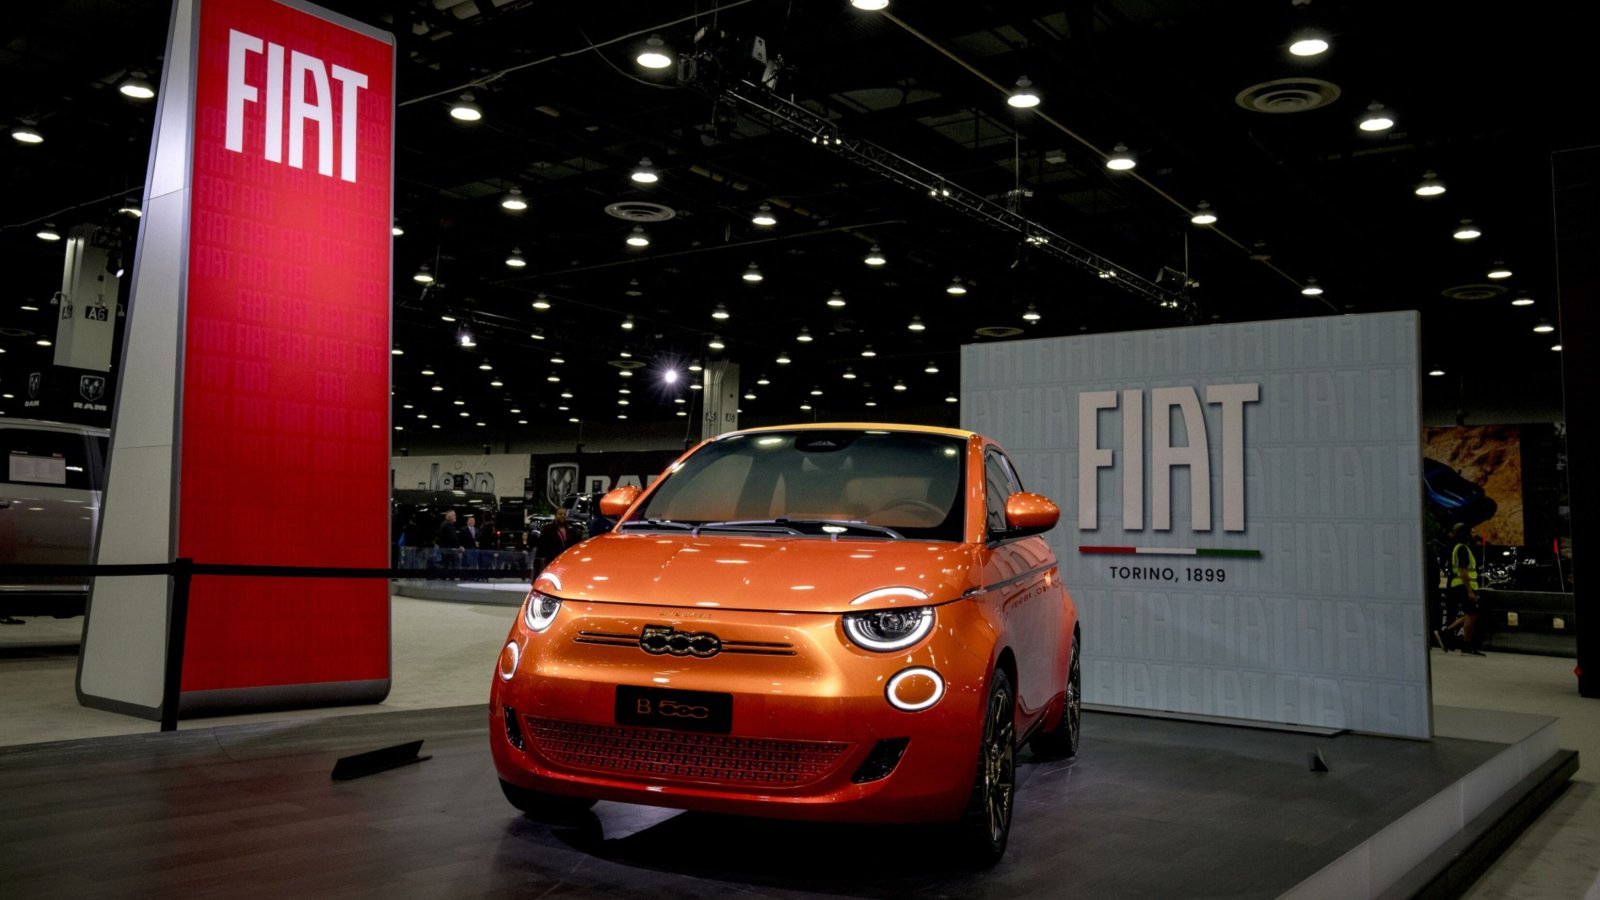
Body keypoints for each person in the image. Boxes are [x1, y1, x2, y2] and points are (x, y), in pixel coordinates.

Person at [1439, 522, 1484, 655]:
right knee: (1471, 614)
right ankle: (1466, 645)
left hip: (1460, 585)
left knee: (1471, 614)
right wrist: (1469, 590)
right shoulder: (1463, 549)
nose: (1473, 535)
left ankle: (1446, 633)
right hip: (1463, 586)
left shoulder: (1459, 547)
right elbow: (1463, 570)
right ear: (1466, 534)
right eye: (1471, 532)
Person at [534, 507, 576, 574]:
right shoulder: (547, 530)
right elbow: (541, 549)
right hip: (551, 562)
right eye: (560, 514)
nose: (563, 516)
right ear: (555, 515)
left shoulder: (570, 530)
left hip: (566, 562)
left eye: (564, 514)